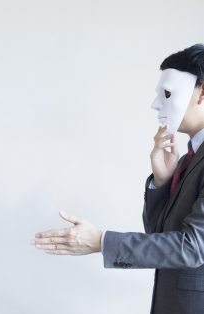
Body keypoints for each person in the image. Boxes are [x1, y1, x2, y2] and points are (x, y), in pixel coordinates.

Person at [33, 44, 204, 314]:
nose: (155, 104)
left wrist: (101, 241)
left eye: (168, 93)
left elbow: (192, 248)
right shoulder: (188, 160)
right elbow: (160, 239)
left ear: (201, 93)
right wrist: (161, 182)